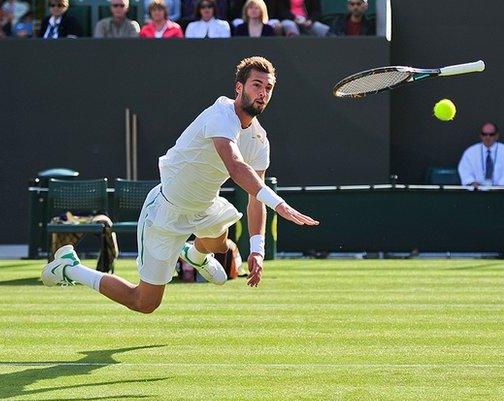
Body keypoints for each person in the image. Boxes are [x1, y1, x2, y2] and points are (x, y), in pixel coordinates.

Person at [41, 56, 319, 314]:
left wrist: (257, 250)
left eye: (268, 88)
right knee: (145, 303)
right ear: (239, 87)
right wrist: (280, 204)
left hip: (206, 207)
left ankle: (194, 254)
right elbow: (235, 166)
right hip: (166, 212)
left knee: (221, 245)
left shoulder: (260, 140)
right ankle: (71, 268)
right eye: (257, 85)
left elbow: (254, 197)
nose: (262, 93)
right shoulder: (221, 114)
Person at [458, 122, 504, 187]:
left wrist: (499, 186)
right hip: (476, 193)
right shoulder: (471, 152)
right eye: (484, 134)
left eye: (491, 134)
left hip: (501, 192)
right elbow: (465, 170)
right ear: (481, 135)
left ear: (497, 135)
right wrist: (472, 182)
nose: (487, 137)